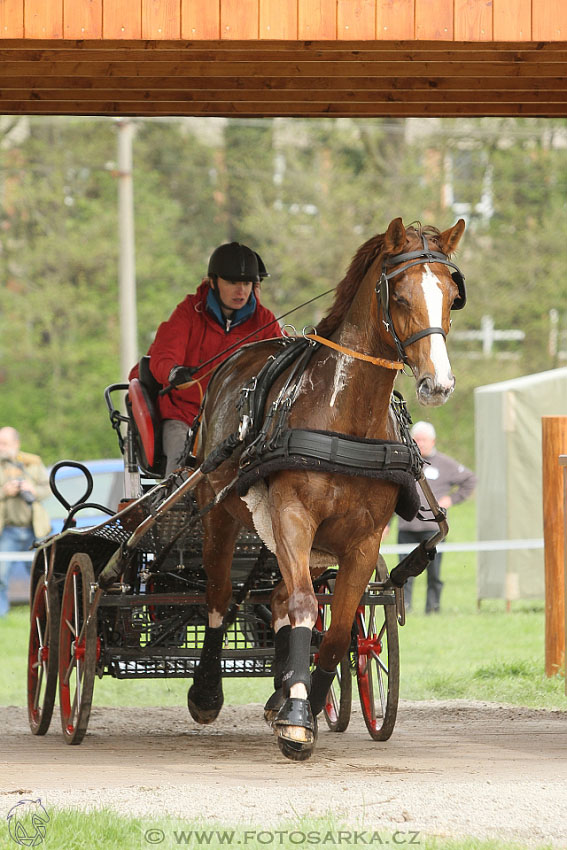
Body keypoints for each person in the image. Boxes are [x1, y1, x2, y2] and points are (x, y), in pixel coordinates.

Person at [132, 242, 283, 475]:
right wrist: (173, 372)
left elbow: (283, 361)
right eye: (232, 282)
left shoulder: (264, 321)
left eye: (246, 283)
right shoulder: (189, 312)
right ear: (213, 282)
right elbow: (163, 355)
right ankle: (174, 508)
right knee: (179, 465)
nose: (241, 291)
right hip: (185, 417)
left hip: (238, 423)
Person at [397, 421, 476, 614]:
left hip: (434, 530)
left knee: (434, 572)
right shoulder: (405, 464)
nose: (421, 443)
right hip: (407, 527)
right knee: (404, 571)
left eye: (424, 440)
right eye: (417, 440)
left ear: (433, 441)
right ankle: (405, 606)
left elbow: (470, 479)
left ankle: (433, 607)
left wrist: (451, 499)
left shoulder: (445, 463)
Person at [0, 427, 51, 616]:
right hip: (7, 530)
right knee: (1, 576)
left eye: (4, 443)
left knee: (40, 575)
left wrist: (33, 489)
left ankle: (41, 613)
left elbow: (48, 489)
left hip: (33, 529)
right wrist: (4, 492)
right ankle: (2, 615)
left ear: (16, 443)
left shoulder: (32, 462)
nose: (1, 447)